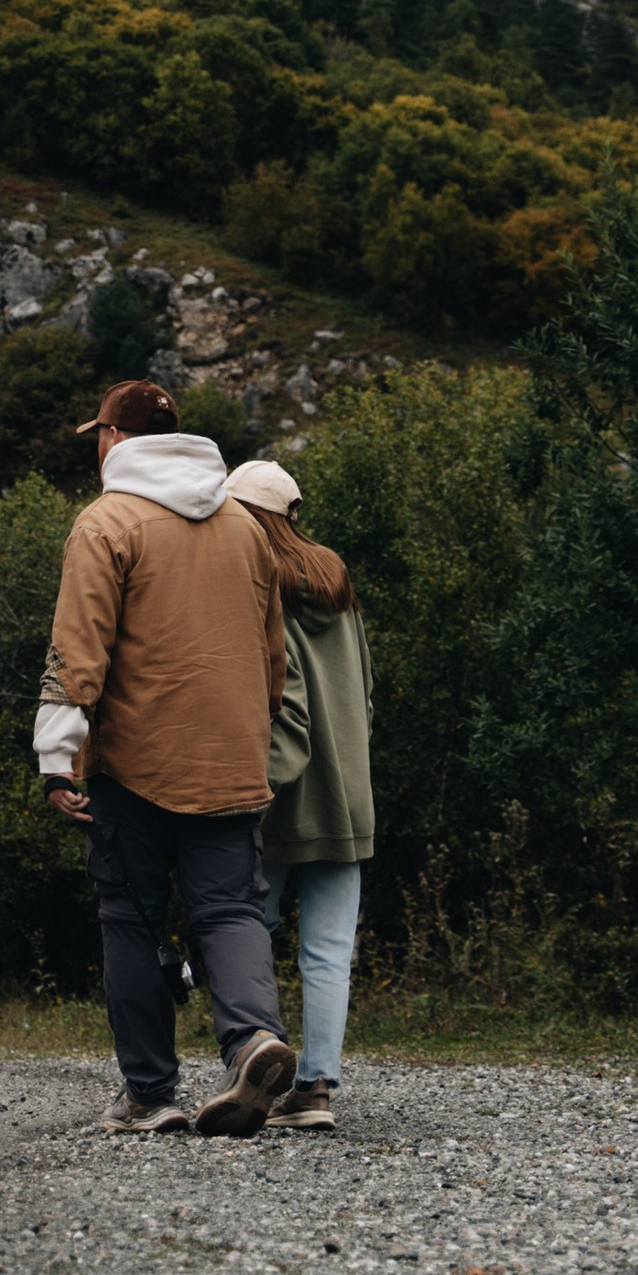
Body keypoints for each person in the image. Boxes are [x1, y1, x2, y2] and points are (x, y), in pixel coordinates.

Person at [36, 380, 298, 1138]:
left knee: (131, 916)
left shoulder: (107, 522)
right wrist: (257, 730)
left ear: (116, 441)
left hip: (135, 761)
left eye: (97, 433)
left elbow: (77, 648)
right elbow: (272, 652)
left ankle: (151, 1094)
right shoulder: (245, 527)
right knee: (231, 908)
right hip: (232, 754)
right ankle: (253, 1040)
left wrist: (57, 755)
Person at [225, 457, 373, 1136]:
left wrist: (248, 787)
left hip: (283, 791)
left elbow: (280, 705)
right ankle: (315, 1087)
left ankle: (250, 1052)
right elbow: (362, 693)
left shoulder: (257, 583)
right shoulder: (335, 580)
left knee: (242, 920)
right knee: (329, 948)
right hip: (348, 793)